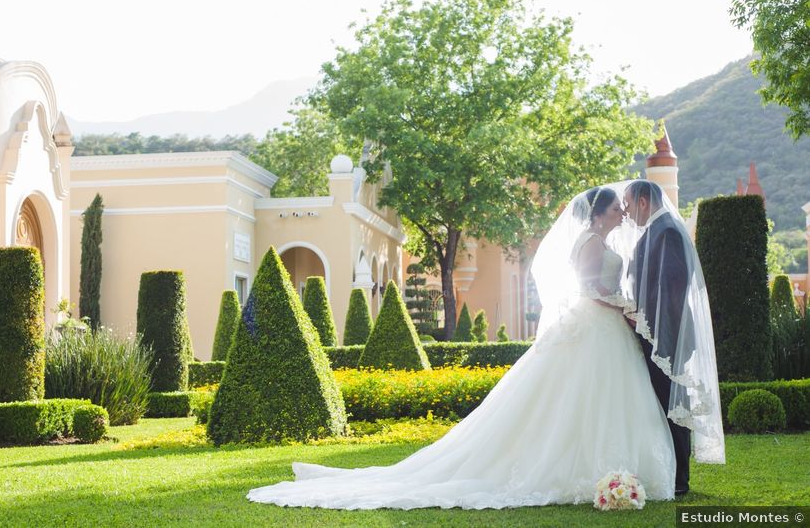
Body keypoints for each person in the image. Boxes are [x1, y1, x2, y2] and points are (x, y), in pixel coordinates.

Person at [247, 186, 678, 510]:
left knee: (604, 398)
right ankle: (581, 469)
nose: (623, 211)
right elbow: (589, 287)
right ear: (601, 212)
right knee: (576, 396)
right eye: (617, 207)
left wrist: (622, 307)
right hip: (594, 325)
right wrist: (623, 305)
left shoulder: (603, 241)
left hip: (606, 330)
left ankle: (613, 467)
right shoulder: (589, 243)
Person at [621, 180, 726, 497]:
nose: (626, 211)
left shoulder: (667, 231)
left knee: (673, 405)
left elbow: (673, 289)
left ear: (642, 201)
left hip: (668, 335)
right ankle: (669, 472)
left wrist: (644, 321)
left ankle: (680, 479)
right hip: (659, 332)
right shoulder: (658, 230)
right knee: (662, 403)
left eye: (627, 204)